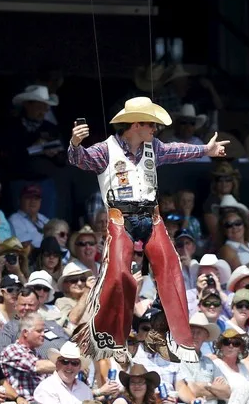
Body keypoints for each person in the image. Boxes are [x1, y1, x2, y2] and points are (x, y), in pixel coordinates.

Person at [68, 97, 228, 363]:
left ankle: (162, 331)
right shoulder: (106, 150)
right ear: (136, 124)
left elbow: (178, 150)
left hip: (151, 218)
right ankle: (112, 338)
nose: (155, 129)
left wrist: (205, 150)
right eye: (151, 124)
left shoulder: (153, 147)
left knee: (171, 268)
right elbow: (80, 160)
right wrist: (75, 143)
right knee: (118, 275)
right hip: (121, 218)